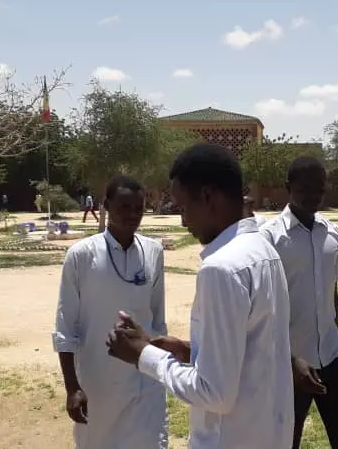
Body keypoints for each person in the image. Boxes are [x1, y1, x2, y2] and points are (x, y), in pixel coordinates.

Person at [105, 143, 294, 449]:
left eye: (182, 208)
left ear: (207, 197)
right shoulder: (263, 251)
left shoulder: (221, 268)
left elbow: (214, 393)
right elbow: (256, 353)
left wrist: (144, 355)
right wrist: (192, 352)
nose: (183, 221)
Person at [53, 176, 168, 448]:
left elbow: (157, 319)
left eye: (138, 208)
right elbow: (65, 326)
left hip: (144, 379)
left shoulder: (153, 251)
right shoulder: (81, 255)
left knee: (150, 441)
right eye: (124, 207)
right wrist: (72, 387)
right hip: (97, 381)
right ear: (106, 206)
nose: (132, 215)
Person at [260, 157, 338, 449]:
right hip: (289, 365)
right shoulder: (269, 238)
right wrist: (287, 359)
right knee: (283, 442)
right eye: (304, 188)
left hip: (333, 356)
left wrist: (332, 330)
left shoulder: (334, 234)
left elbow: (332, 292)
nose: (313, 195)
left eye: (319, 188)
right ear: (288, 188)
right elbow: (262, 308)